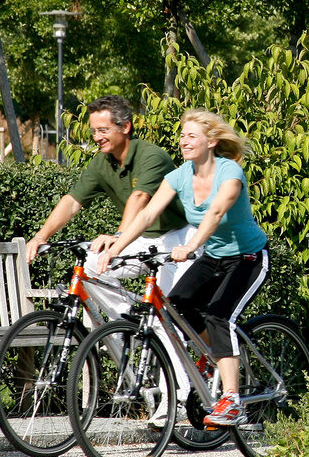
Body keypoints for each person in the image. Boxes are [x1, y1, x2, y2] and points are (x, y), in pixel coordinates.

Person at [98, 109, 269, 427]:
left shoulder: (230, 172)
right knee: (176, 305)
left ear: (212, 141)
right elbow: (147, 215)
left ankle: (232, 401)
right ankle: (214, 358)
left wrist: (190, 247)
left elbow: (216, 212)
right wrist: (116, 247)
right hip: (215, 256)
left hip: (248, 257)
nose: (183, 141)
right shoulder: (179, 176)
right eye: (181, 135)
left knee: (220, 315)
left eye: (191, 135)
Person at [27, 95, 194, 314]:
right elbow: (72, 201)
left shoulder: (152, 156)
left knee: (164, 316)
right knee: (92, 267)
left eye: (103, 130)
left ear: (125, 127)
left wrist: (118, 236)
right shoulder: (101, 162)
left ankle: (160, 336)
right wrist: (41, 236)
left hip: (176, 237)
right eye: (94, 131)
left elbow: (140, 198)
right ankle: (122, 329)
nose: (97, 137)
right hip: (141, 238)